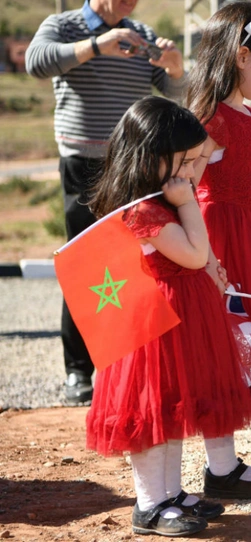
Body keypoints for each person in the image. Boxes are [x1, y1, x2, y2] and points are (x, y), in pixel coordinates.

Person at [85, 96, 251, 537]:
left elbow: (199, 256)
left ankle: (170, 493)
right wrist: (188, 204)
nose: (190, 173)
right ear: (149, 156)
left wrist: (204, 254)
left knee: (172, 408)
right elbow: (193, 252)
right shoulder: (145, 210)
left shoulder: (157, 202)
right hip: (154, 326)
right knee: (154, 413)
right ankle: (150, 504)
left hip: (178, 319)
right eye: (183, 162)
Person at [25, 0, 186, 405]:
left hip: (135, 167)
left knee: (140, 266)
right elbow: (36, 62)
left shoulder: (143, 36)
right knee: (87, 267)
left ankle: (128, 369)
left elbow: (173, 91)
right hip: (84, 168)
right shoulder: (63, 26)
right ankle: (79, 371)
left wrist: (175, 67)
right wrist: (98, 45)